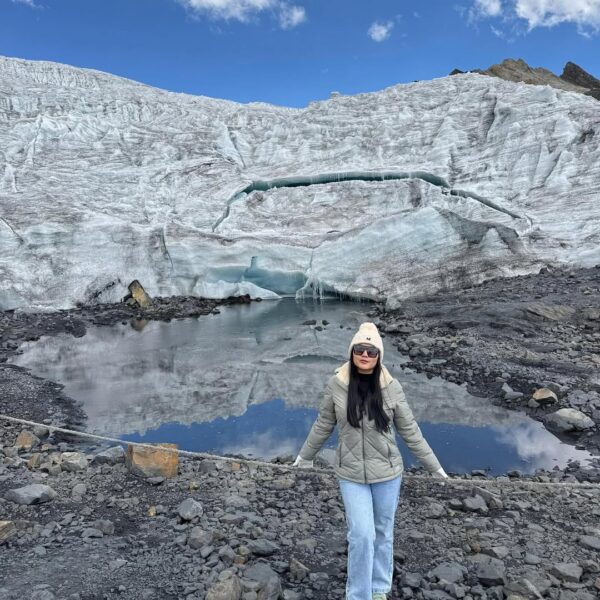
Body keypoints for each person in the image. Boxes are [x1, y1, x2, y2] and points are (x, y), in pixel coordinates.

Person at [292, 322, 448, 600]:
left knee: (383, 532)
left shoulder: (392, 387)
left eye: (371, 351)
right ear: (352, 351)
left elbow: (411, 431)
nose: (365, 355)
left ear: (379, 356)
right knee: (362, 535)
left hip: (387, 473)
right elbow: (323, 424)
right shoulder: (337, 384)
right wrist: (305, 457)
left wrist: (435, 467)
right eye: (360, 349)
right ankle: (358, 595)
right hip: (351, 474)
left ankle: (379, 588)